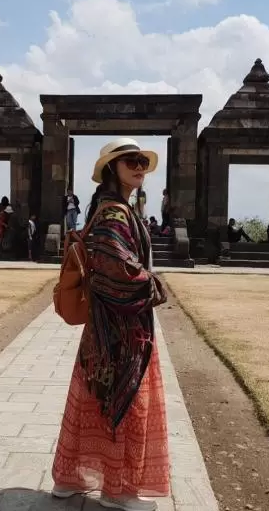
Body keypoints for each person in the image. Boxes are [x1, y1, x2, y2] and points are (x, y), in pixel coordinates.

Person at [52, 137, 169, 511]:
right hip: (121, 328)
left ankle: (70, 479)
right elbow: (117, 270)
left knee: (96, 397)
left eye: (142, 161)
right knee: (125, 400)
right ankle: (117, 491)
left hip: (105, 326)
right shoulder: (115, 214)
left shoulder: (112, 209)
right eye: (130, 160)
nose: (139, 166)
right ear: (112, 168)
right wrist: (153, 285)